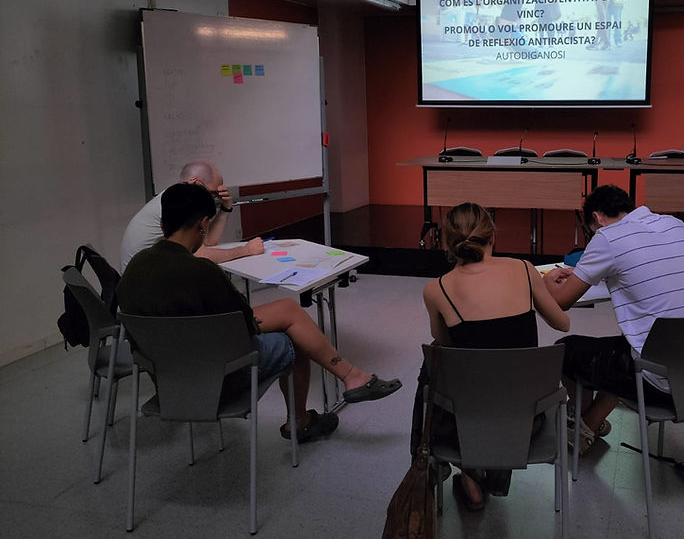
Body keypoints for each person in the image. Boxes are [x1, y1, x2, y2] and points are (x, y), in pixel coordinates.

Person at [117, 183, 402, 443]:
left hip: (169, 383)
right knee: (294, 339)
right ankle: (300, 421)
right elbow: (244, 325)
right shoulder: (200, 271)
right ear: (203, 224)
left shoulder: (135, 268)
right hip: (218, 379)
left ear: (163, 222)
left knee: (287, 311)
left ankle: (350, 378)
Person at [419, 202, 570, 510]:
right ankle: (489, 475)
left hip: (467, 422)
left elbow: (444, 343)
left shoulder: (436, 289)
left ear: (447, 242)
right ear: (492, 235)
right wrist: (539, 287)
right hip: (526, 421)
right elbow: (562, 323)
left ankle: (466, 473)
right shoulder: (525, 269)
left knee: (435, 367)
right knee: (508, 377)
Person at [542, 185, 684, 454]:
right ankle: (590, 424)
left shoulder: (607, 237)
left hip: (658, 379)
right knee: (627, 345)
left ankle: (580, 419)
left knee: (566, 350)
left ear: (597, 218)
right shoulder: (674, 224)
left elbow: (562, 302)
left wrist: (548, 283)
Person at [120, 160, 264, 270]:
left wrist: (226, 208)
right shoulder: (174, 206)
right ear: (195, 182)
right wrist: (245, 250)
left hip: (143, 277)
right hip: (145, 283)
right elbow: (201, 255)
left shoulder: (173, 198)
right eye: (213, 193)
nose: (214, 198)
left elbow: (208, 241)